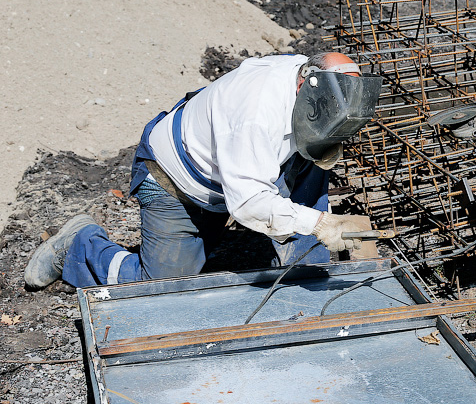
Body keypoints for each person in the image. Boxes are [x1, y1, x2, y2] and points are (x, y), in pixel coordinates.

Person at [25, 52, 382, 289]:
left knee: (309, 167)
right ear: (306, 85)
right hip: (178, 182)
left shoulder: (312, 77)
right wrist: (319, 224)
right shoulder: (255, 114)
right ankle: (78, 246)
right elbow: (249, 202)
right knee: (161, 287)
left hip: (236, 169)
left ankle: (305, 276)